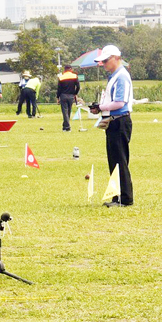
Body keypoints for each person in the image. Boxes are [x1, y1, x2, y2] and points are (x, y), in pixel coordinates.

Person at [90, 45, 134, 207]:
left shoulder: (121, 76)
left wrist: (101, 107)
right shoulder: (115, 76)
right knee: (114, 160)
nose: (104, 64)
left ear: (116, 58)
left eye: (106, 60)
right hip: (114, 121)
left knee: (119, 160)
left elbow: (119, 103)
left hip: (120, 121)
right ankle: (117, 197)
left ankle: (125, 198)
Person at [56, 64, 81, 132]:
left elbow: (59, 89)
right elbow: (78, 87)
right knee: (68, 111)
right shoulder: (74, 76)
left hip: (63, 95)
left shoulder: (61, 77)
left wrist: (57, 97)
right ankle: (65, 127)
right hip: (71, 96)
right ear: (71, 69)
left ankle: (67, 127)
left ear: (64, 70)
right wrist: (75, 93)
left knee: (65, 112)